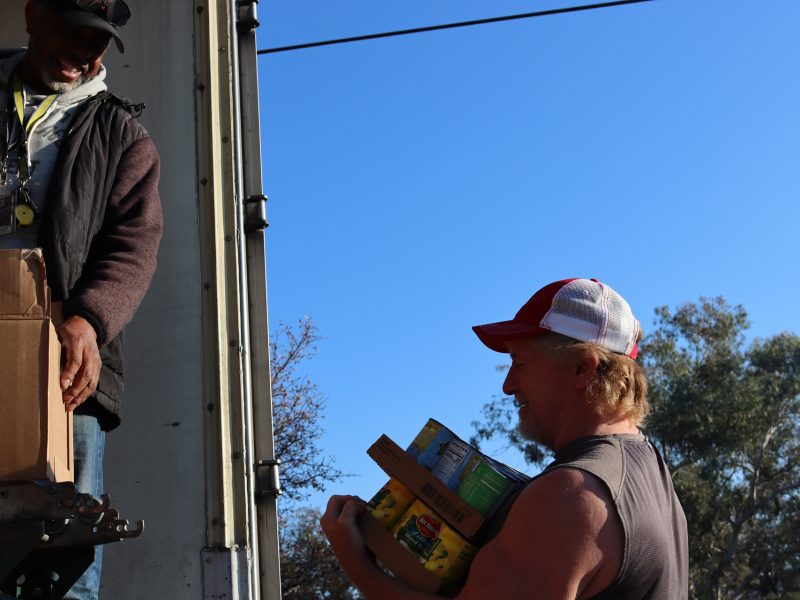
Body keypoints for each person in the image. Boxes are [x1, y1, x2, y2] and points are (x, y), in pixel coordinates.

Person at [321, 278, 689, 599]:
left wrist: (358, 564)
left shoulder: (574, 493)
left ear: (582, 368)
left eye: (521, 362)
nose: (508, 384)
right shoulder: (650, 472)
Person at [0, 1, 162, 598]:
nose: (85, 53)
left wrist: (90, 320)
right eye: (74, 31)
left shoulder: (124, 137)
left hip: (63, 367)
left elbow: (133, 245)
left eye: (99, 42)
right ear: (33, 15)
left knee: (62, 564)